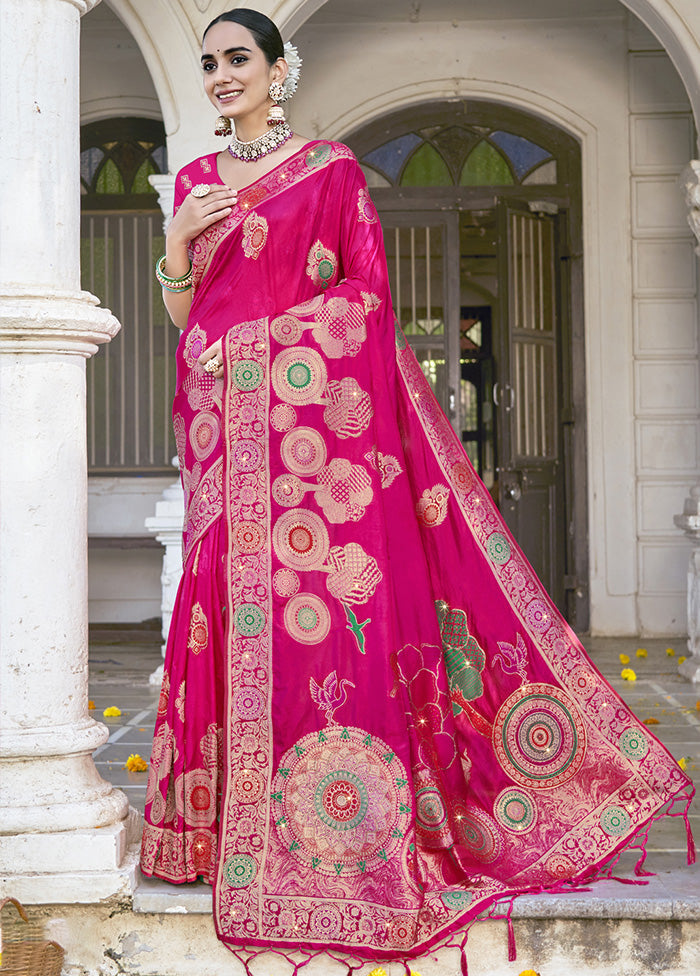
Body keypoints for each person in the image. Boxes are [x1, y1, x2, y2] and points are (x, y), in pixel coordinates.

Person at [140, 8, 695, 972]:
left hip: (314, 458)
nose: (221, 76)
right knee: (221, 616)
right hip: (224, 441)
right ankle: (215, 831)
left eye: (238, 59)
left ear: (280, 67)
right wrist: (178, 248)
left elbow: (364, 304)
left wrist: (262, 355)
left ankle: (331, 832)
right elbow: (185, 318)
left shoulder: (332, 173)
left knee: (316, 618)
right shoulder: (193, 184)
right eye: (209, 64)